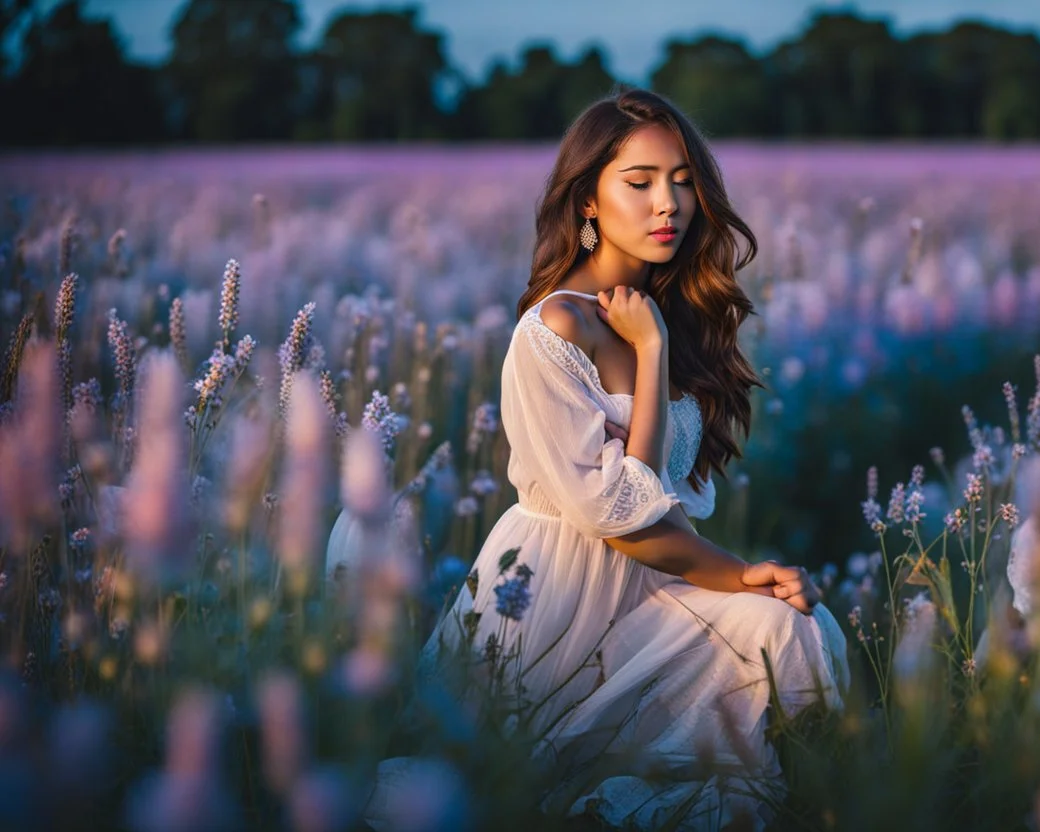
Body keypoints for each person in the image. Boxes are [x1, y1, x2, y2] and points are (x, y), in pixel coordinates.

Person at [361, 88, 849, 831]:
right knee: (776, 629)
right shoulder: (554, 328)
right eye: (641, 181)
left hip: (649, 587)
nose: (670, 204)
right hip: (556, 600)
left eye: (683, 181)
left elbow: (660, 508)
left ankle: (832, 803)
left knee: (800, 630)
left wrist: (658, 339)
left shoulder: (664, 312)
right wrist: (650, 357)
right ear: (588, 199)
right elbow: (625, 516)